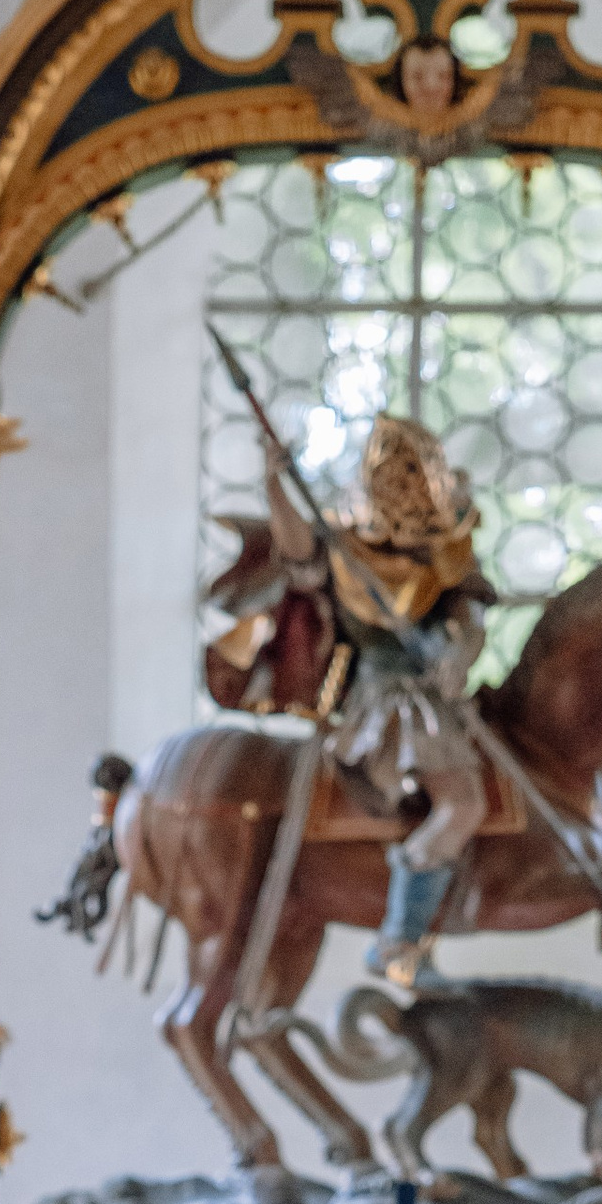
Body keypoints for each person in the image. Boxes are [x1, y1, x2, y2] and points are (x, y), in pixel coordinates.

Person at [205, 411, 494, 982]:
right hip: (384, 697)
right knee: (462, 804)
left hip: (440, 691)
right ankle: (399, 941)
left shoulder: (446, 545)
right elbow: (300, 560)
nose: (415, 550)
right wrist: (275, 484)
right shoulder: (342, 549)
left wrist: (454, 652)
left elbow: (469, 611)